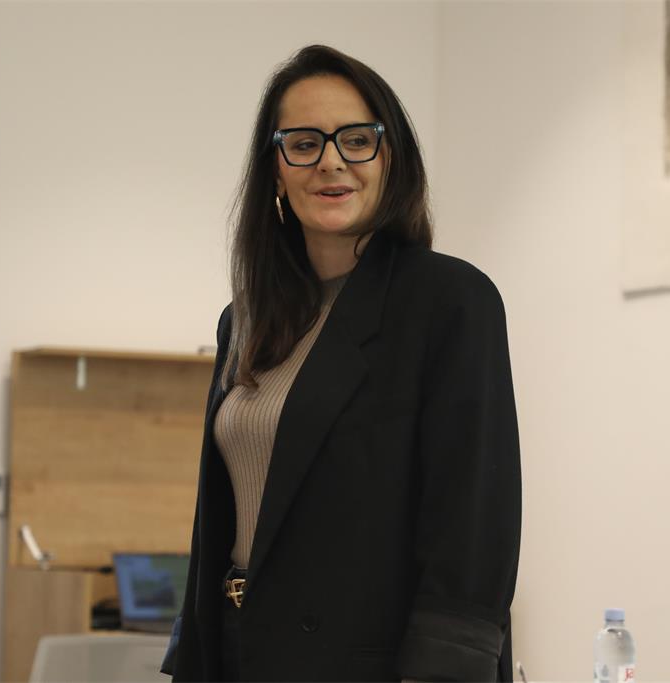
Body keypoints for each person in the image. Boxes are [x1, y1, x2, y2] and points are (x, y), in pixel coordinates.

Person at [161, 44, 521, 682]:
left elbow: (472, 520)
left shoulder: (449, 301)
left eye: (356, 139)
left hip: (366, 663)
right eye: (303, 144)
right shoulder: (244, 319)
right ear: (275, 171)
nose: (331, 161)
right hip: (241, 646)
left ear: (390, 159)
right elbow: (218, 521)